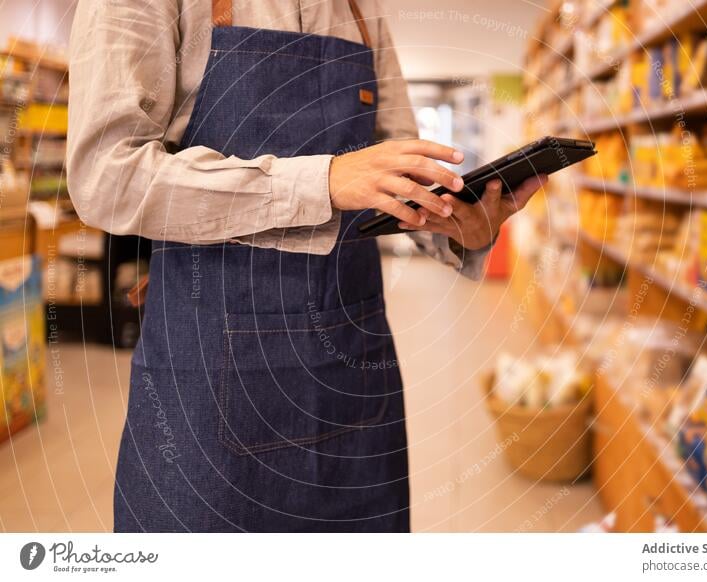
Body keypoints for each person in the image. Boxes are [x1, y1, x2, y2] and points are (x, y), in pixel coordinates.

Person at [67, 0, 547, 532]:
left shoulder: (362, 10)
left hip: (355, 374)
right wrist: (320, 182)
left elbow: (400, 177)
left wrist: (463, 226)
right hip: (207, 377)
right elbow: (104, 176)